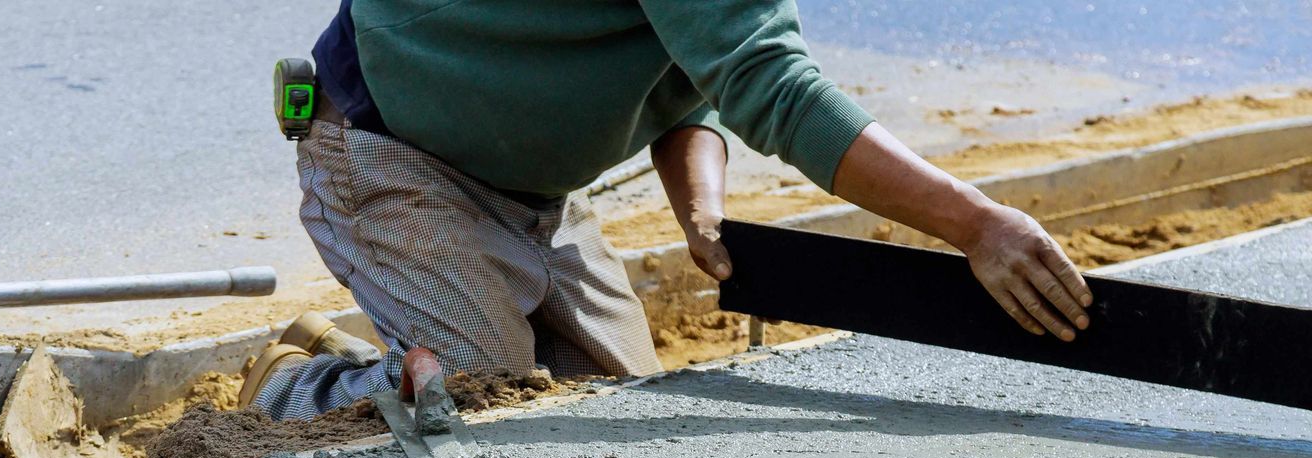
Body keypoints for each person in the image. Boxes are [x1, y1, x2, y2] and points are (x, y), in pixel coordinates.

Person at [240, 0, 1094, 417]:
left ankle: (373, 343)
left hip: (533, 195)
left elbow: (700, 82)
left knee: (617, 406)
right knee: (477, 392)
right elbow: (772, 86)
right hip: (389, 154)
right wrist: (977, 226)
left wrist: (702, 208)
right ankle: (291, 385)